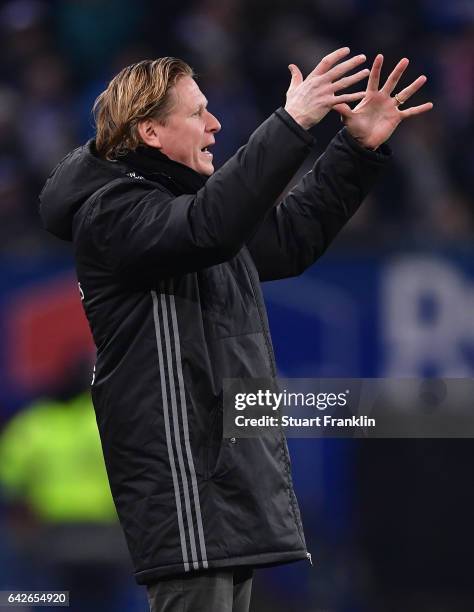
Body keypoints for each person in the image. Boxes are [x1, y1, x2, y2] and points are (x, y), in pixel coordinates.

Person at [39, 50, 432, 612]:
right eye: (199, 113)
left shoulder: (186, 207)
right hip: (185, 481)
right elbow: (211, 229)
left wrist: (355, 147)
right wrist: (291, 122)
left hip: (222, 479)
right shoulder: (112, 213)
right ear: (150, 131)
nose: (216, 124)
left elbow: (288, 239)